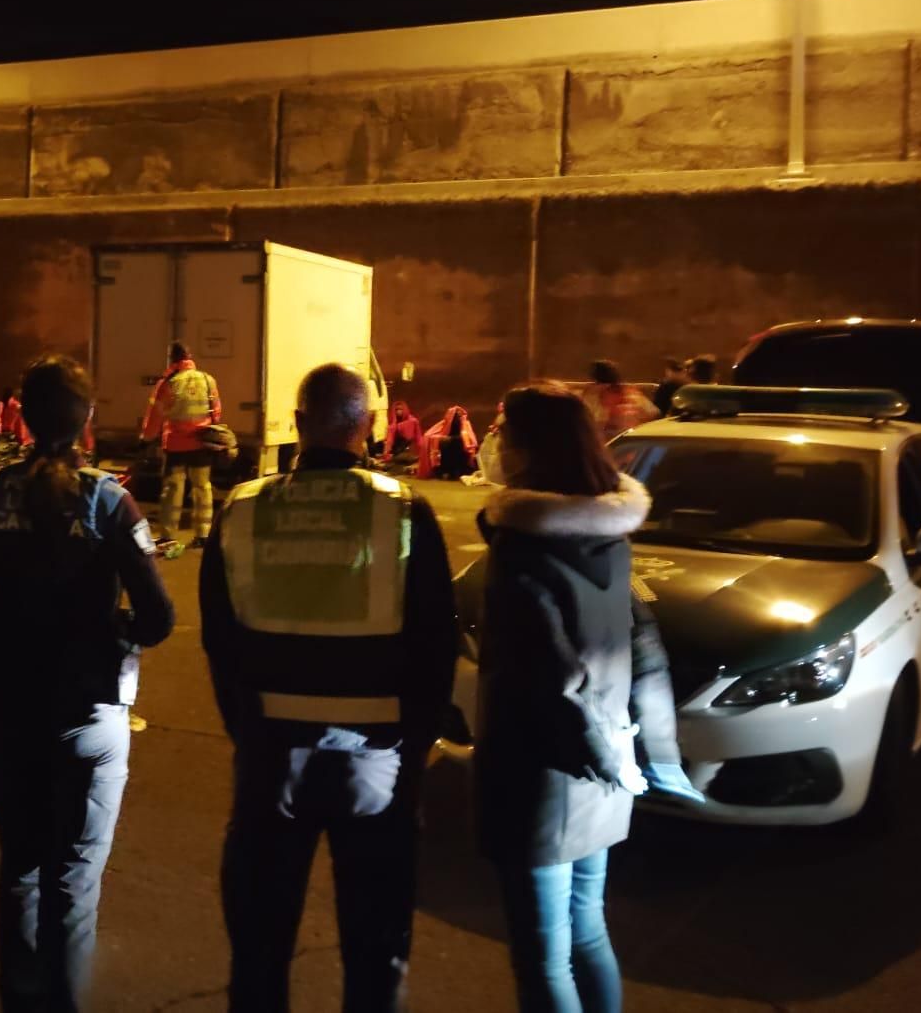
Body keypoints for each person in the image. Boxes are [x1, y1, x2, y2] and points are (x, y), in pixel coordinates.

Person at [200, 363, 458, 1012]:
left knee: (260, 950)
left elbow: (218, 637)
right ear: (367, 426)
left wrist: (248, 730)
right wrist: (415, 754)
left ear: (297, 423)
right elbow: (436, 647)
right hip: (376, 757)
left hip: (270, 752)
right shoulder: (402, 508)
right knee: (374, 950)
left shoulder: (243, 507)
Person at [0, 355, 174, 1013]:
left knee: (20, 866)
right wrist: (111, 630)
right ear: (87, 419)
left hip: (5, 710)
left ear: (19, 415)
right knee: (72, 881)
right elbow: (158, 617)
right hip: (85, 708)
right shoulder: (109, 500)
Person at [475, 382, 699, 1013]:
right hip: (606, 768)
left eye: (503, 431)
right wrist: (647, 759)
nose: (497, 443)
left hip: (543, 775)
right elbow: (644, 648)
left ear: (525, 447)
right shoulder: (609, 532)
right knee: (589, 931)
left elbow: (548, 678)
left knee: (544, 960)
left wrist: (604, 759)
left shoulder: (524, 545)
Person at [141, 341, 221, 547]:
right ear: (190, 357)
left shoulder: (169, 383)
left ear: (173, 359)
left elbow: (155, 416)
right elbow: (216, 410)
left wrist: (146, 438)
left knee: (172, 489)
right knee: (202, 488)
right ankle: (203, 534)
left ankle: (168, 534)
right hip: (201, 444)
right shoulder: (207, 380)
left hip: (176, 446)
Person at [582, 361, 656, 442]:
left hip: (620, 443)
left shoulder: (594, 395)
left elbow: (653, 414)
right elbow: (653, 413)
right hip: (624, 442)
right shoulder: (631, 393)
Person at [417, 405, 478, 479]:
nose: (458, 417)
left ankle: (457, 472)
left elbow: (469, 436)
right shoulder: (445, 423)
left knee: (457, 453)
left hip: (460, 448)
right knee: (446, 450)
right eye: (456, 415)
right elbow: (435, 433)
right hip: (448, 448)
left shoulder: (465, 424)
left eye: (459, 415)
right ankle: (447, 472)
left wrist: (453, 439)